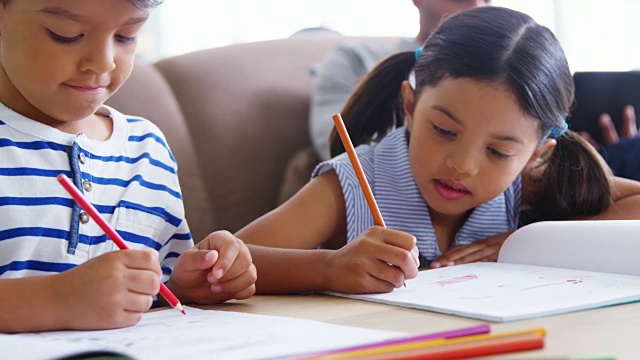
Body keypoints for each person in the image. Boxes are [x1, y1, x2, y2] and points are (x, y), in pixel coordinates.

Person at [238, 6, 640, 295]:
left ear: (536, 153)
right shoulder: (353, 186)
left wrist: (528, 242)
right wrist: (327, 268)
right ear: (410, 106)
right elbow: (231, 256)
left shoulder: (528, 186)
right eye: (445, 130)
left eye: (498, 152)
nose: (461, 165)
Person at [0, 0, 256, 333]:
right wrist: (54, 299)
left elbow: (158, 290)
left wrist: (187, 285)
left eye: (126, 36)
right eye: (66, 34)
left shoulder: (146, 149)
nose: (103, 62)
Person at [278, 0, 492, 204]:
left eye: (487, 0)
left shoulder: (501, 80)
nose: (477, 7)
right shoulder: (355, 58)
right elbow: (336, 140)